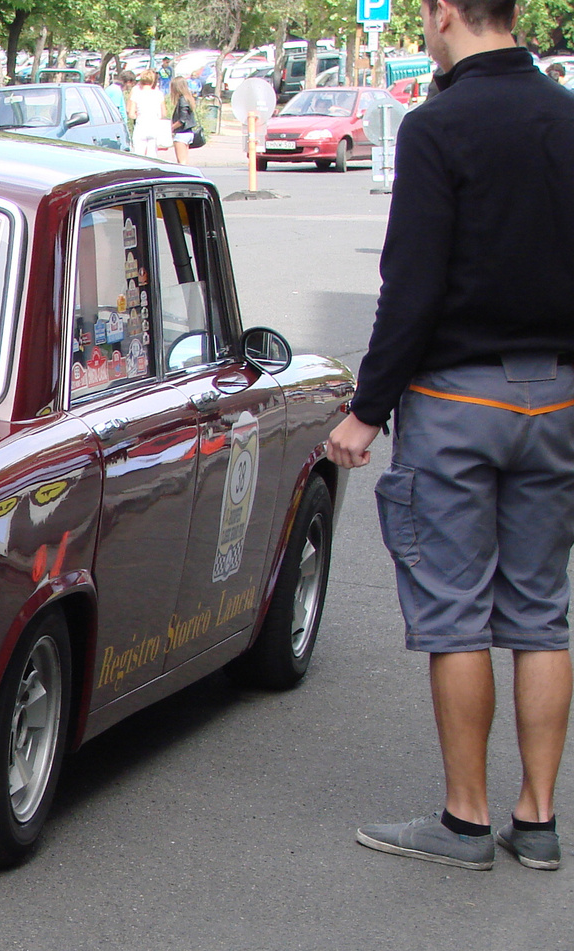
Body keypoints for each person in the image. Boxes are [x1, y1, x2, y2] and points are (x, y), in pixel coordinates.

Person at [328, 0, 574, 873]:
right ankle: (537, 819)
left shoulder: (438, 127)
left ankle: (465, 820)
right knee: (544, 614)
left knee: (456, 613)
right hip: (558, 396)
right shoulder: (566, 116)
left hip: (457, 399)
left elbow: (413, 287)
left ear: (443, 15)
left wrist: (367, 409)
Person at [126, 70, 166, 157]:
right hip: (154, 127)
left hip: (141, 127)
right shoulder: (158, 94)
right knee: (152, 155)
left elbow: (131, 114)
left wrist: (138, 114)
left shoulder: (136, 93)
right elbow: (163, 113)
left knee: (138, 155)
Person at [168, 75, 199, 163]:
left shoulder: (182, 100)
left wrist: (171, 128)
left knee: (181, 162)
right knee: (185, 161)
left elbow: (182, 119)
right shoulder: (188, 98)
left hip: (181, 133)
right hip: (188, 132)